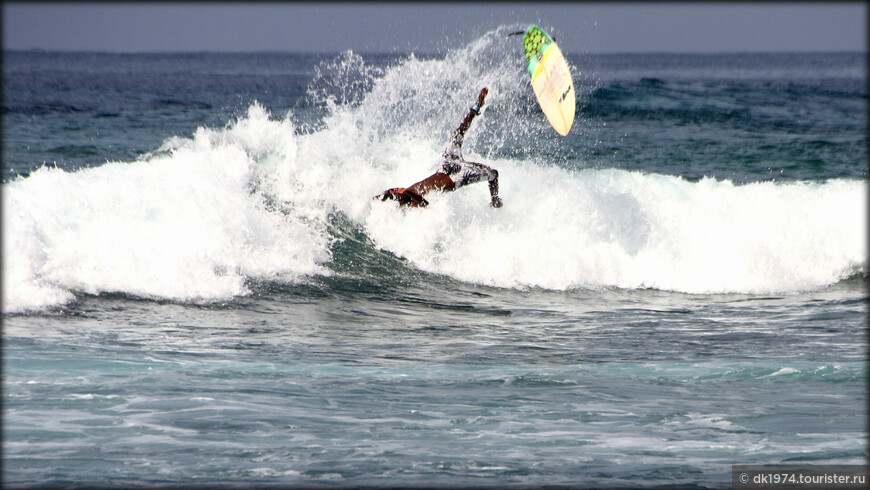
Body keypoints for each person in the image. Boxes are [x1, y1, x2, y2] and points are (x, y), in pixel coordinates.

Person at [374, 87, 503, 208]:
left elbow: (384, 196)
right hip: (456, 178)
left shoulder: (409, 190)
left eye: (396, 189)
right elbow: (425, 204)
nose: (398, 189)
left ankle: (476, 107)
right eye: (398, 193)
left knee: (457, 134)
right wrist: (406, 193)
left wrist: (383, 196)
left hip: (445, 167)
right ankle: (495, 200)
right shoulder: (412, 201)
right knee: (493, 174)